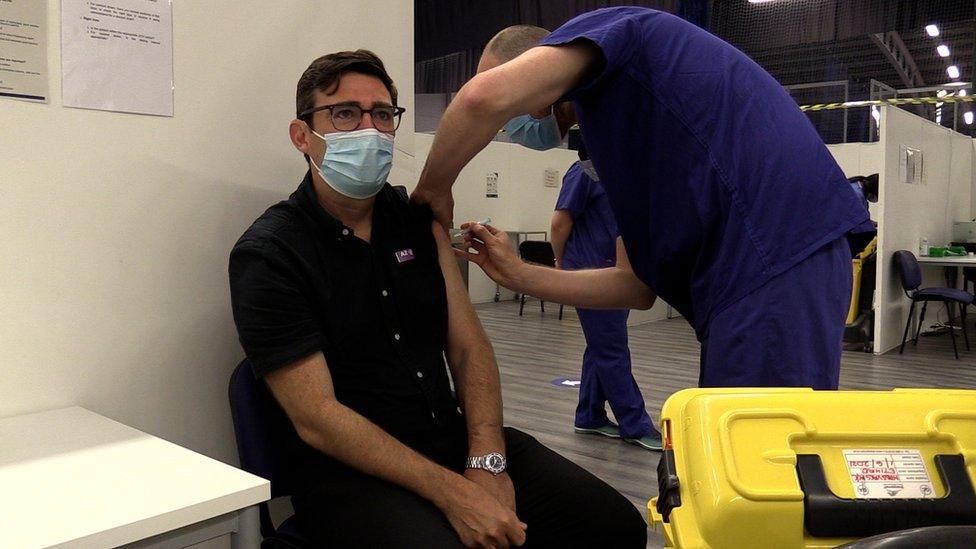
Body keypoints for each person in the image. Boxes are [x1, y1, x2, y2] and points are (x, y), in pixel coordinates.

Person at [228, 50, 646, 548]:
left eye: (382, 114)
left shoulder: (417, 220)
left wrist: (486, 461)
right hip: (351, 475)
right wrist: (454, 493)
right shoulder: (270, 255)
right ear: (303, 136)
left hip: (453, 442)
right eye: (344, 113)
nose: (368, 129)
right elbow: (317, 418)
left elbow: (469, 347)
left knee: (613, 526)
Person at [412, 8, 874, 390]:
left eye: (515, 105)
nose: (510, 121)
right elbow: (633, 288)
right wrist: (517, 274)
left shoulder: (619, 33)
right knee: (735, 447)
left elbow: (478, 100)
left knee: (761, 457)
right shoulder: (617, 137)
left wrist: (432, 193)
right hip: (754, 275)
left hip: (773, 259)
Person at [551, 157, 660, 451]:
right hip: (591, 276)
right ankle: (635, 424)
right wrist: (563, 270)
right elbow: (560, 223)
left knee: (600, 345)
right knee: (612, 349)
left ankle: (589, 415)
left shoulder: (622, 170)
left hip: (616, 275)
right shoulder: (586, 170)